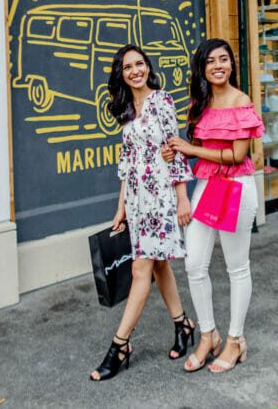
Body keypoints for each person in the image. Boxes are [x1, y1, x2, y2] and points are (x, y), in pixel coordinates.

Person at [89, 44, 195, 382]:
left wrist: (182, 198)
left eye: (140, 64)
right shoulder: (127, 109)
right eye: (127, 67)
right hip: (136, 200)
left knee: (141, 268)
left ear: (148, 67)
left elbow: (173, 150)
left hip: (161, 197)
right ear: (120, 74)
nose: (135, 70)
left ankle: (120, 345)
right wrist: (120, 207)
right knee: (159, 263)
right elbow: (127, 164)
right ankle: (183, 325)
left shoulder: (161, 101)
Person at [164, 38, 264, 374]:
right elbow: (192, 147)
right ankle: (209, 334)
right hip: (206, 186)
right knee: (194, 264)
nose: (217, 65)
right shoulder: (200, 103)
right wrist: (177, 149)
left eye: (223, 59)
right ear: (202, 68)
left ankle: (235, 339)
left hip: (236, 186)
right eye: (210, 61)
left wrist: (191, 150)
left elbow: (238, 155)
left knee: (237, 266)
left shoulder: (242, 101)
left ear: (232, 65)